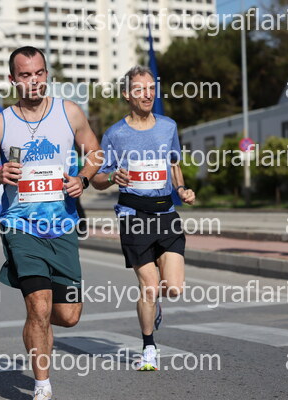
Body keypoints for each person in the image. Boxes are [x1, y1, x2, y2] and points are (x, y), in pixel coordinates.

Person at [0, 46, 102, 400]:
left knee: (69, 315)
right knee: (40, 305)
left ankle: (35, 325)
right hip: (21, 226)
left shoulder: (69, 112)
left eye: (39, 73)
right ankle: (42, 385)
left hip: (63, 226)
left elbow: (95, 152)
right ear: (12, 79)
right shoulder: (0, 124)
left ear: (47, 74)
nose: (34, 81)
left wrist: (84, 179)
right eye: (26, 74)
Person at [92, 66, 196, 371]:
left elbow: (174, 163)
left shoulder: (168, 127)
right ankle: (149, 347)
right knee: (149, 287)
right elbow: (97, 178)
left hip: (166, 213)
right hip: (133, 216)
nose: (147, 94)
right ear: (127, 94)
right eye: (140, 89)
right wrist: (112, 176)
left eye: (151, 88)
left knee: (173, 288)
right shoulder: (114, 134)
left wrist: (182, 189)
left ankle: (155, 304)